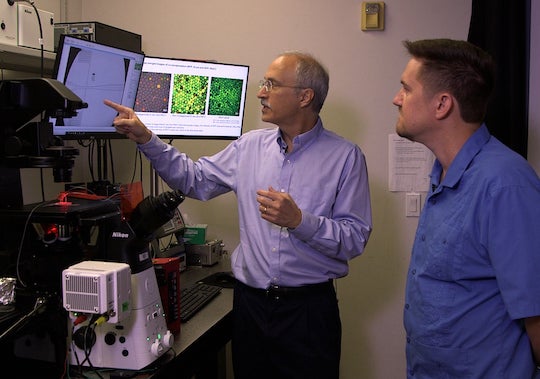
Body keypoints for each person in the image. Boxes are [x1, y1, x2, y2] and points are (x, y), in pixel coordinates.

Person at [104, 51, 372, 379]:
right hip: (251, 309)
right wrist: (147, 139)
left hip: (308, 314)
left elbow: (354, 238)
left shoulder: (345, 157)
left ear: (305, 96)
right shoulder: (249, 147)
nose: (261, 92)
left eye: (271, 84)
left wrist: (300, 221)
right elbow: (194, 179)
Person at [393, 38, 540, 378]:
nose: (396, 99)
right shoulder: (442, 174)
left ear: (442, 104)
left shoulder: (504, 184)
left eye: (406, 89)